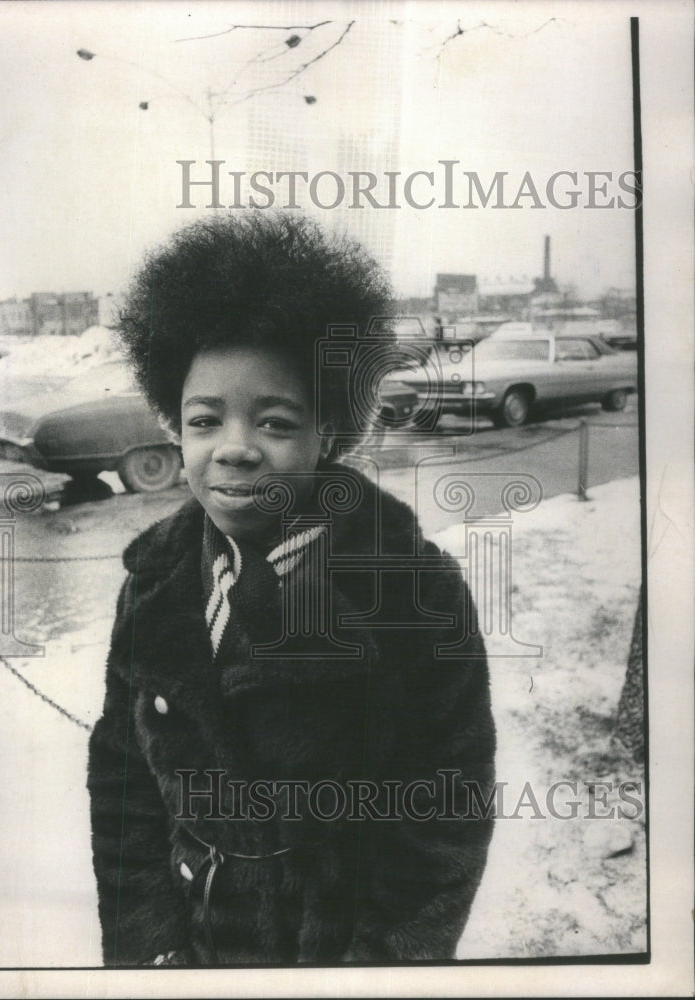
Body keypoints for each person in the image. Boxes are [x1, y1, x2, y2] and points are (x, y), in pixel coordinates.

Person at [87, 212, 496, 966]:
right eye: (204, 419)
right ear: (176, 429)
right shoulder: (154, 584)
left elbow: (447, 811)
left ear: (328, 434)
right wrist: (146, 946)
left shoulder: (411, 592)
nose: (234, 449)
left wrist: (377, 970)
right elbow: (122, 782)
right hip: (193, 948)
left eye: (274, 422)